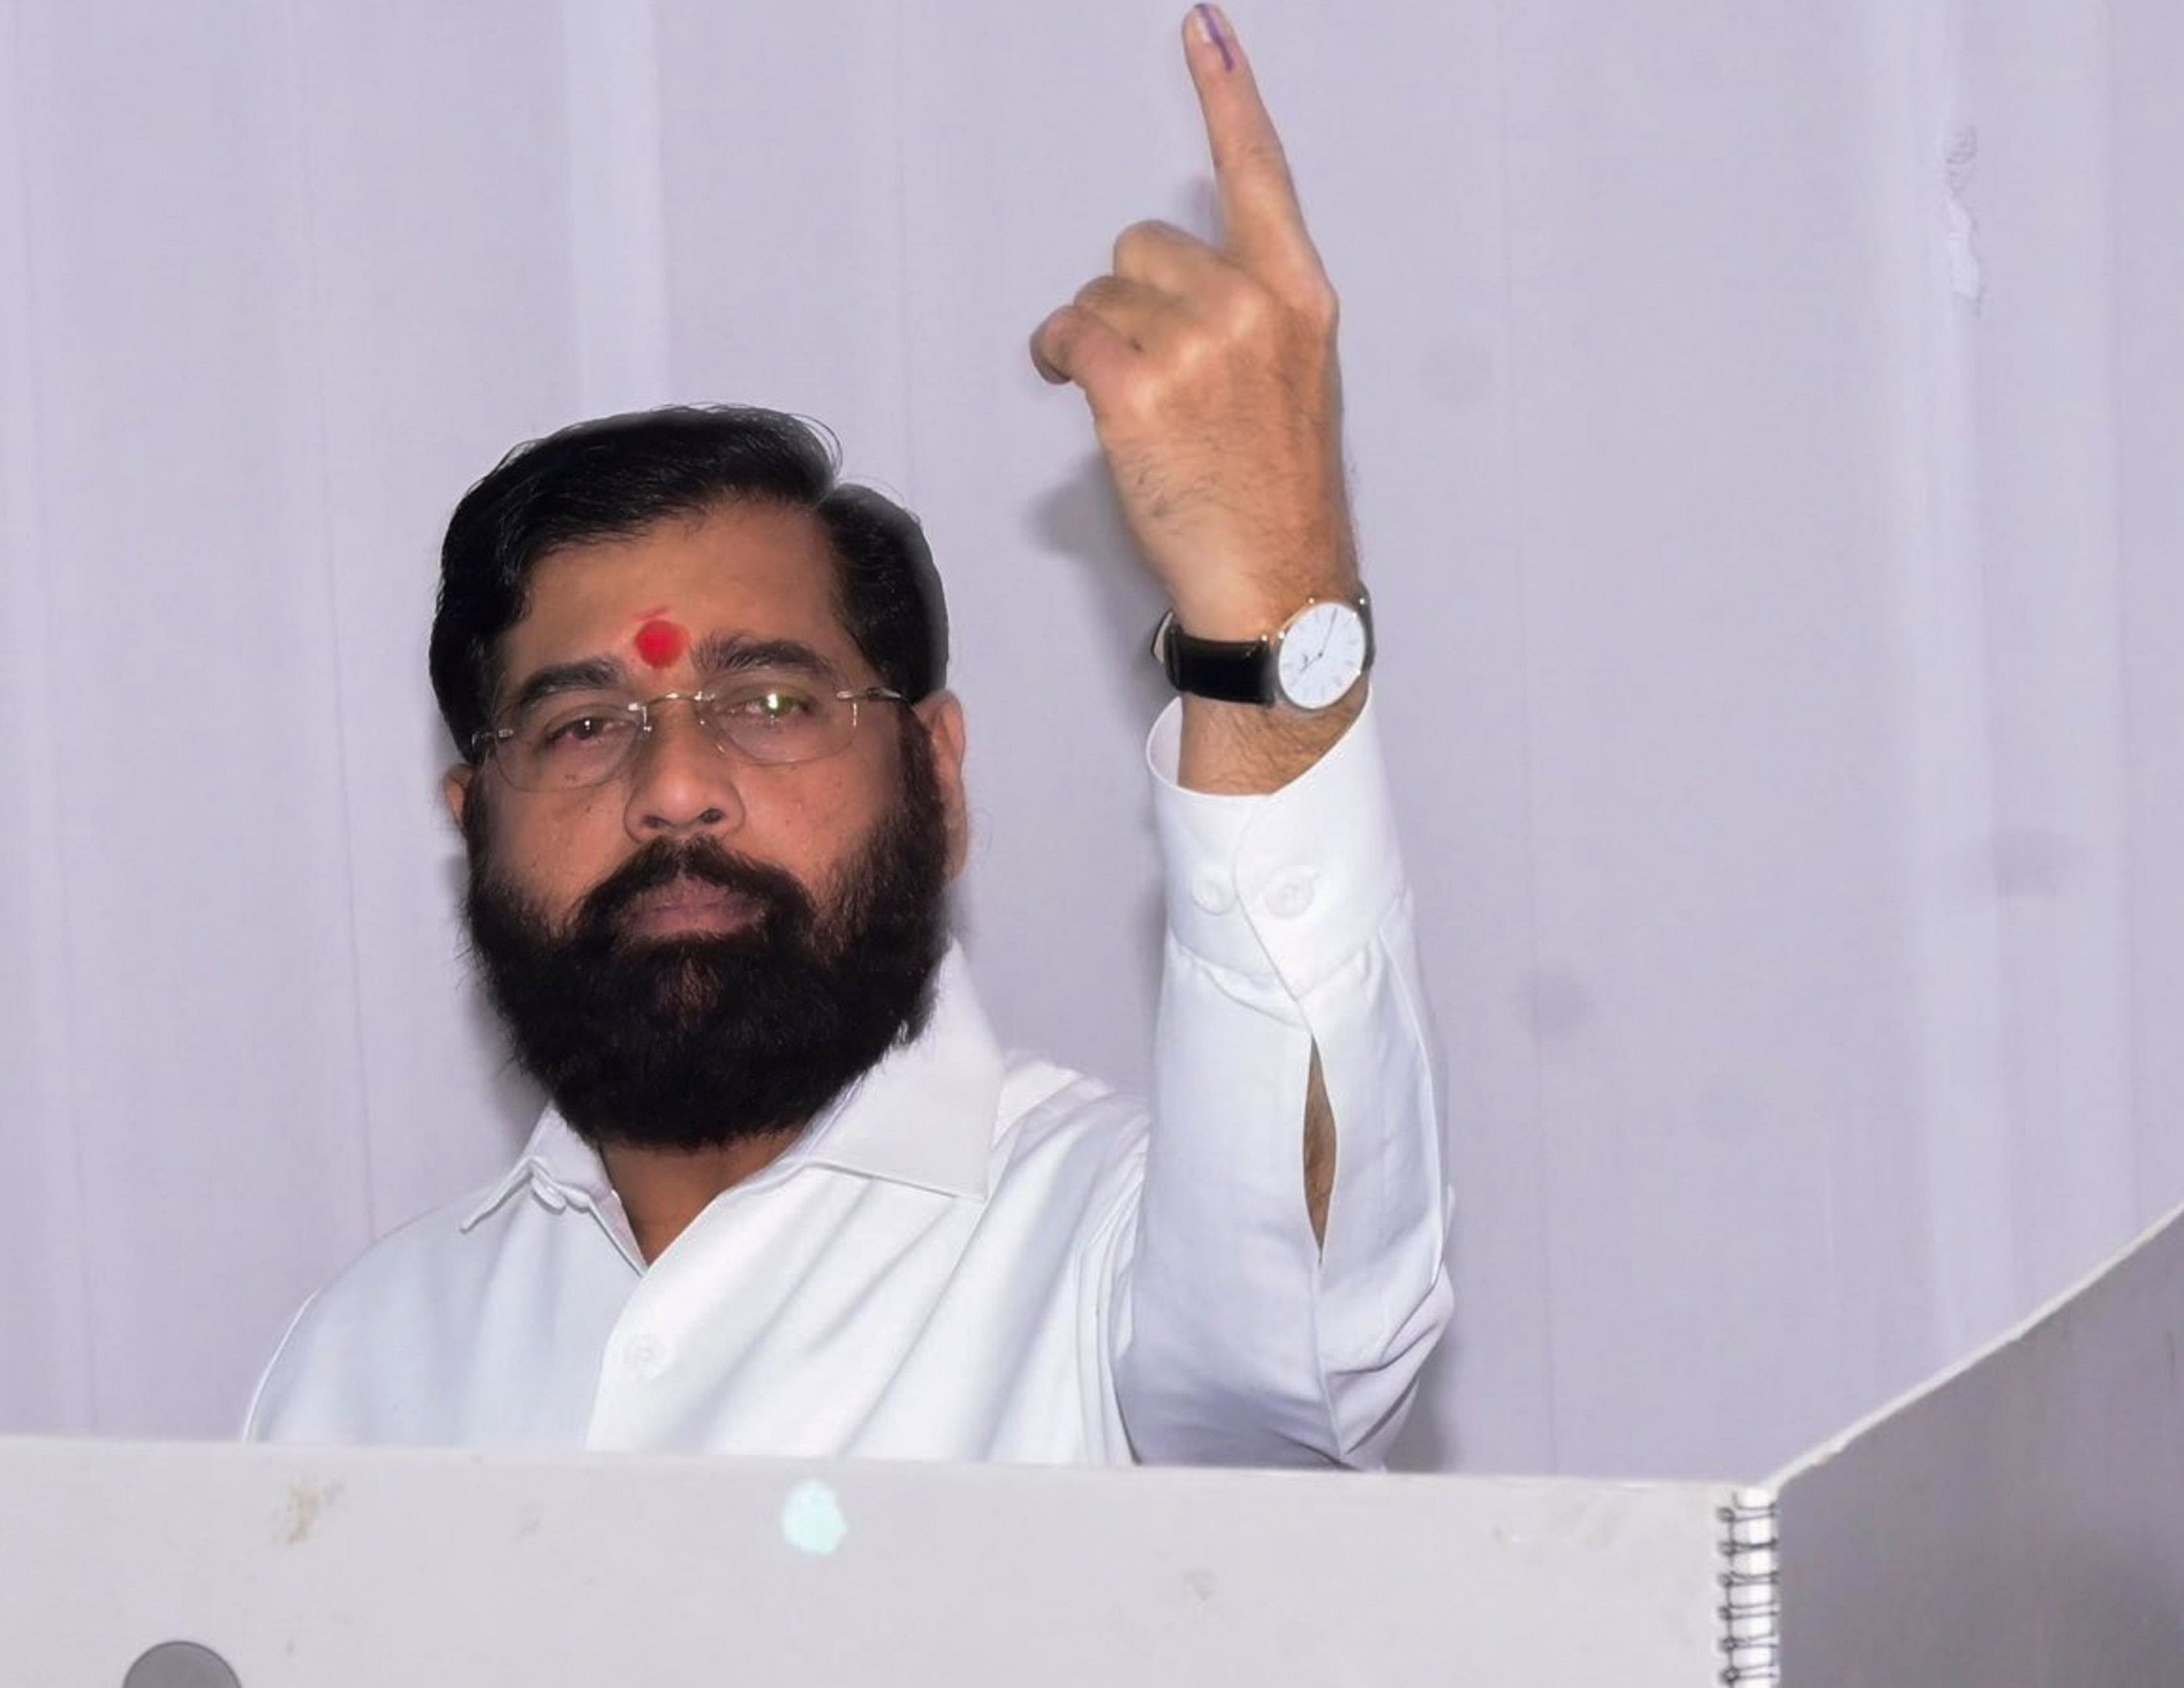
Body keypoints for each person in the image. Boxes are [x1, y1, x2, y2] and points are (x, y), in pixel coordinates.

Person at [245, 5, 1450, 1467]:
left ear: (936, 777)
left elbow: (1297, 1324)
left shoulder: (1107, 1265)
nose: (675, 788)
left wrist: (1277, 603)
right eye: (580, 726)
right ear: (470, 818)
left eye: (770, 705)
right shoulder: (362, 1362)